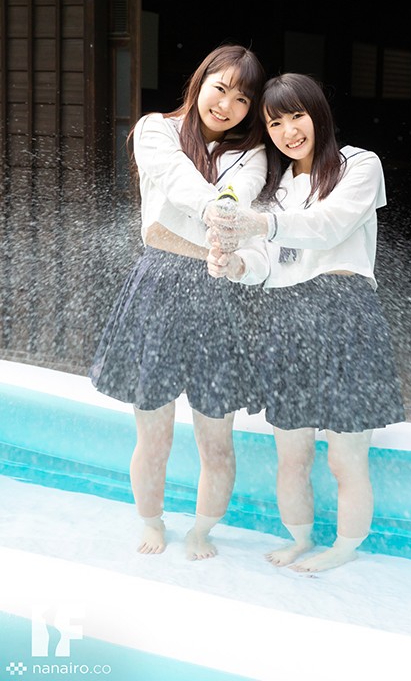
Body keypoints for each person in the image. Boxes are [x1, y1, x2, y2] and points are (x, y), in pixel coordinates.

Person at [207, 73, 404, 572]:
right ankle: (298, 539)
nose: (289, 131)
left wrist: (260, 223)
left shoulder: (359, 165)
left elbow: (329, 226)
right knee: (292, 454)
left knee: (343, 457)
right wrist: (234, 264)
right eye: (275, 123)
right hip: (286, 319)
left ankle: (343, 547)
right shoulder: (274, 191)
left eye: (297, 116)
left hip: (344, 313)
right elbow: (263, 261)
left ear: (319, 114)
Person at [90, 45, 267, 559]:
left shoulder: (253, 153)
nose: (227, 105)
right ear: (200, 82)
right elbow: (174, 183)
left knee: (217, 440)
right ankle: (152, 522)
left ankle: (202, 530)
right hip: (159, 288)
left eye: (242, 99)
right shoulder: (156, 130)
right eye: (221, 88)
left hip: (221, 291)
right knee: (155, 435)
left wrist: (223, 210)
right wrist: (218, 212)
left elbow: (243, 190)